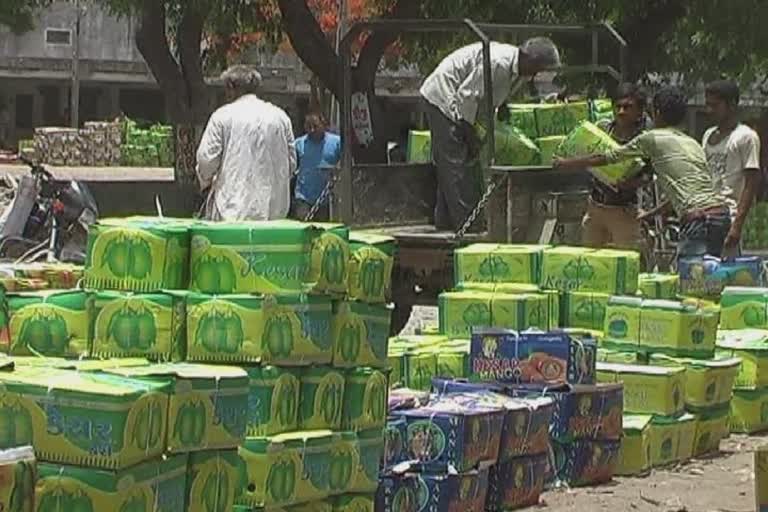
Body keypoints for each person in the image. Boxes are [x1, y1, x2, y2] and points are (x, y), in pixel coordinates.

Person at [555, 86, 730, 258]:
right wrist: (651, 214)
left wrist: (567, 163)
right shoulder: (693, 144)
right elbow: (684, 194)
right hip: (720, 215)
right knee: (711, 278)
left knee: (692, 279)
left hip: (697, 220)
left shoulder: (652, 139)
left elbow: (609, 157)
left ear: (657, 112)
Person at [420, 38, 561, 230]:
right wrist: (470, 134)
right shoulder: (498, 63)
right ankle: (468, 227)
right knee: (457, 163)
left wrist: (502, 106)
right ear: (529, 59)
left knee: (456, 164)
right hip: (444, 97)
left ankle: (445, 221)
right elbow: (466, 96)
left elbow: (493, 92)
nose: (537, 75)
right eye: (537, 69)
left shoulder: (518, 69)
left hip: (463, 104)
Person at [197, 65, 296, 221]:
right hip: (274, 217)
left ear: (230, 87)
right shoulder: (281, 118)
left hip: (231, 214)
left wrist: (206, 183)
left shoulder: (222, 116)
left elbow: (206, 161)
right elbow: (291, 163)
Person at [582, 83, 653, 250]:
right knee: (591, 258)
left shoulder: (643, 141)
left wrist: (629, 184)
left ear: (639, 111)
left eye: (627, 107)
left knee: (627, 259)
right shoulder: (603, 131)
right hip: (595, 207)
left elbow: (648, 176)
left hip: (624, 210)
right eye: (618, 106)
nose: (621, 112)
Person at [703, 80, 762, 255]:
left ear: (731, 105)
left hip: (729, 216)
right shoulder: (708, 135)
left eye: (715, 105)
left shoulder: (746, 137)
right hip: (707, 214)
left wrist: (737, 225)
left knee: (729, 274)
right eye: (708, 105)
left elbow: (752, 183)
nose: (709, 110)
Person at [292, 113, 342, 221]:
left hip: (326, 199)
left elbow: (346, 163)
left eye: (315, 126)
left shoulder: (337, 142)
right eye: (308, 127)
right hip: (304, 198)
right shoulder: (299, 144)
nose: (312, 130)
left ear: (323, 125)